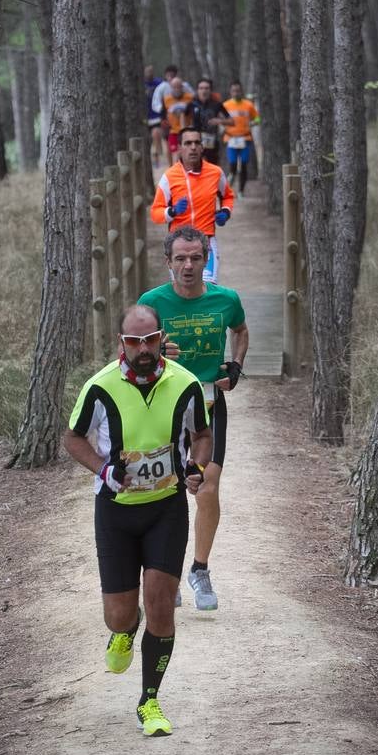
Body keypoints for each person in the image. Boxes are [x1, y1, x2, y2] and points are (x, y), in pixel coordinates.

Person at [64, 304, 212, 737]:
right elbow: (73, 437)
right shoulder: (100, 386)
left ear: (161, 338)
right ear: (121, 344)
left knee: (162, 602)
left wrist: (196, 468)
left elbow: (202, 435)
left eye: (150, 340)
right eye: (134, 341)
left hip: (166, 508)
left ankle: (149, 700)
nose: (143, 349)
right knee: (119, 614)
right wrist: (104, 470)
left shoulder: (183, 383)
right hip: (115, 511)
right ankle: (124, 631)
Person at [138, 227, 249, 611]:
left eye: (195, 258)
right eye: (180, 259)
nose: (188, 265)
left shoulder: (226, 299)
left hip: (208, 402)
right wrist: (155, 354)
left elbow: (241, 331)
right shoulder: (151, 303)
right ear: (168, 262)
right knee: (163, 489)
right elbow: (129, 356)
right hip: (162, 406)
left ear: (207, 260)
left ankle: (199, 570)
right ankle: (159, 573)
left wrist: (235, 367)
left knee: (207, 487)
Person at [150, 125, 234, 284]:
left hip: (205, 240)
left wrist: (225, 211)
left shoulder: (215, 173)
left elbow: (228, 196)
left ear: (202, 147)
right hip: (177, 243)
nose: (193, 147)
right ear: (180, 148)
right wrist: (172, 211)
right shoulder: (169, 177)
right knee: (182, 290)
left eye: (197, 143)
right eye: (188, 143)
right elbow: (155, 213)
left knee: (207, 288)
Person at [223, 81, 261, 199]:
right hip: (231, 139)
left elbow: (258, 118)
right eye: (234, 90)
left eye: (238, 90)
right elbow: (220, 119)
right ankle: (229, 186)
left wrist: (253, 123)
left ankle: (240, 191)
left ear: (241, 91)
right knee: (233, 165)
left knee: (243, 165)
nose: (236, 93)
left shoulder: (248, 105)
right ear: (230, 92)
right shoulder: (225, 105)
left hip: (245, 138)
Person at [185, 77, 233, 165]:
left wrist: (219, 121)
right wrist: (185, 130)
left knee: (212, 167)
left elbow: (231, 121)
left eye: (206, 88)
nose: (204, 91)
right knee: (196, 166)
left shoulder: (217, 104)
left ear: (210, 90)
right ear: (197, 90)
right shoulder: (192, 104)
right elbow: (183, 116)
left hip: (212, 140)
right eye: (201, 88)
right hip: (196, 141)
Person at [161, 77, 194, 161]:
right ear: (171, 88)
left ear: (182, 87)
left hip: (187, 131)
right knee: (175, 154)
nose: (177, 89)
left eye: (178, 87)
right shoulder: (166, 99)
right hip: (173, 132)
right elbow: (163, 116)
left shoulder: (190, 98)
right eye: (174, 87)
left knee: (187, 155)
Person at [144, 65, 164, 167]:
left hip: (156, 115)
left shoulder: (159, 83)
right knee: (148, 139)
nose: (149, 73)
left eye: (151, 71)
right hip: (145, 116)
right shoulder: (141, 84)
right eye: (147, 71)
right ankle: (152, 156)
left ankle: (158, 155)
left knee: (156, 134)